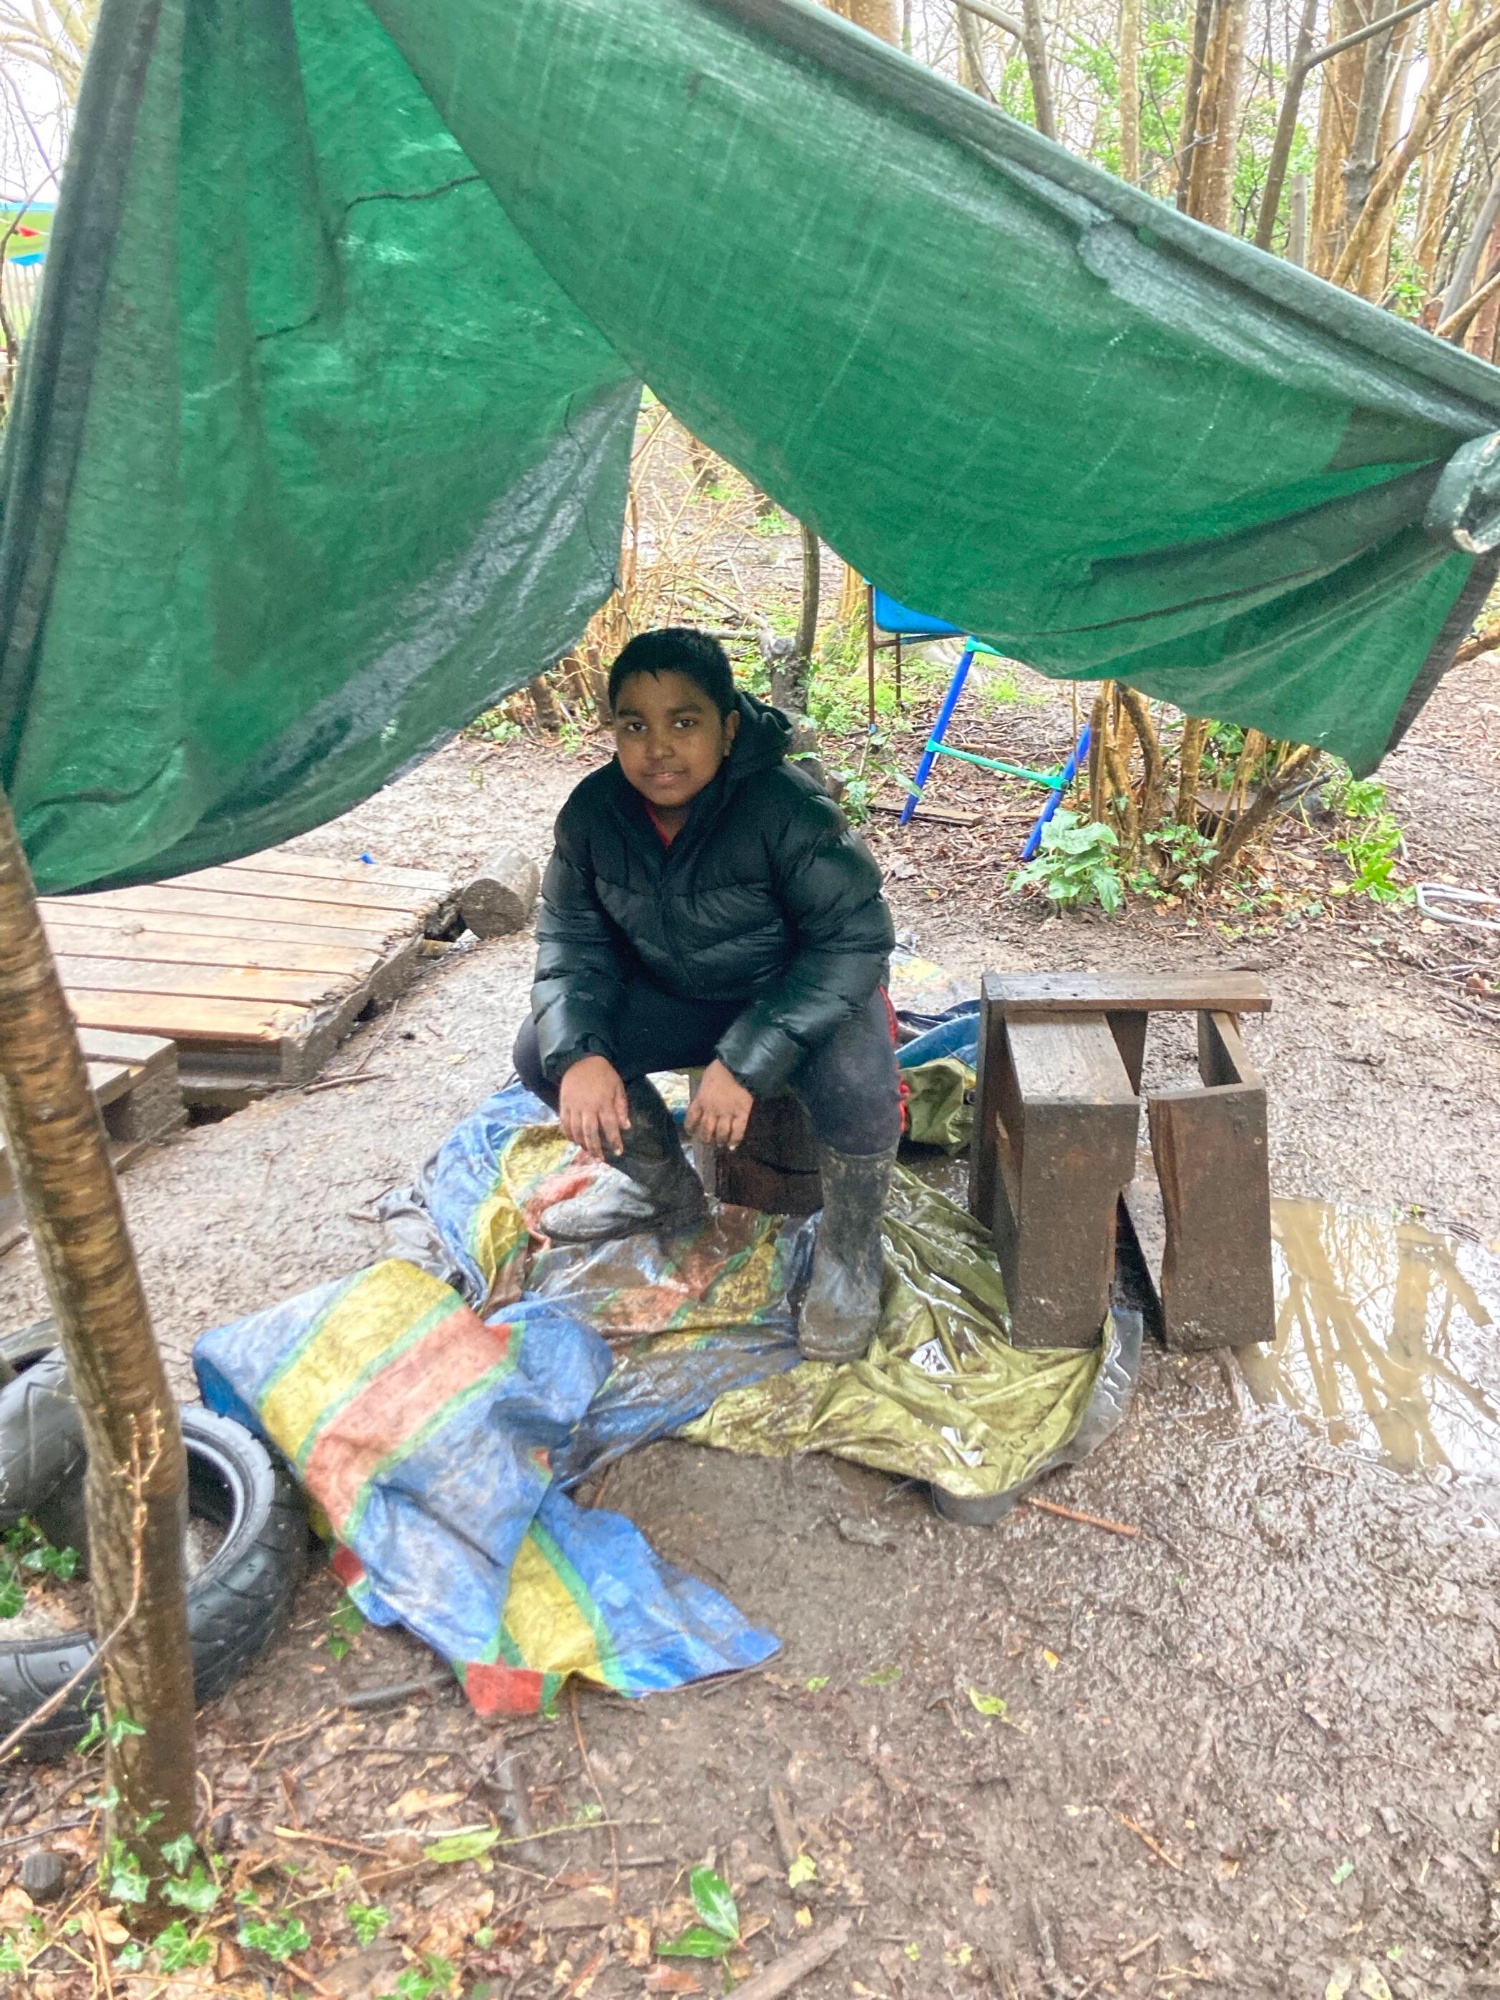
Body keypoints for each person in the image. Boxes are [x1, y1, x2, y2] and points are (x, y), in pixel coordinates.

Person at [513, 626, 900, 1363]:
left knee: (860, 1086)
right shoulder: (594, 815)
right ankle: (667, 1191)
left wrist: (745, 1062)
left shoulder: (787, 809)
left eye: (683, 722)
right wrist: (582, 1051)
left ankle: (852, 1249)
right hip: (680, 991)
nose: (659, 748)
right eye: (635, 725)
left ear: (727, 728)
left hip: (798, 997)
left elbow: (854, 941)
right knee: (543, 1052)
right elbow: (571, 943)